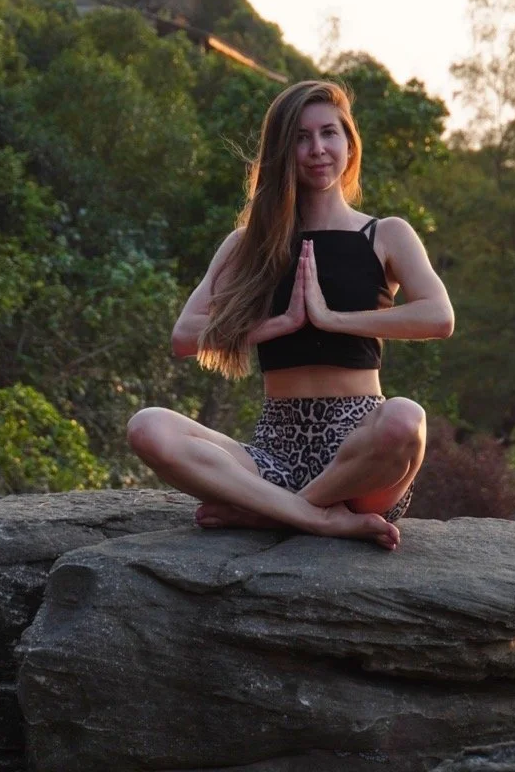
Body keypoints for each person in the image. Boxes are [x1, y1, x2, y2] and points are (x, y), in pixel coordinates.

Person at [127, 80, 454, 551]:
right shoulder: (248, 243)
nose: (317, 149)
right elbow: (185, 336)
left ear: (349, 144)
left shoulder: (384, 234)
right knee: (148, 427)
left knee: (405, 419)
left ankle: (269, 513)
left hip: (362, 456)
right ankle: (311, 516)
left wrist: (332, 319)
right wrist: (278, 325)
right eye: (301, 137)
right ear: (282, 152)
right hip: (273, 452)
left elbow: (439, 316)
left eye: (329, 133)